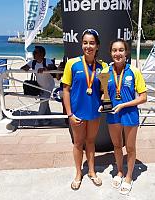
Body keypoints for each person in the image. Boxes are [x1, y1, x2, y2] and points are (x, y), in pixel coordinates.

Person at [62, 29, 107, 190]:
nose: (88, 46)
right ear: (82, 44)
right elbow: (65, 90)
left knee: (90, 142)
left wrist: (104, 100)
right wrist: (69, 114)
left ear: (97, 46)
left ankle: (92, 171)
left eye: (92, 43)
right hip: (77, 113)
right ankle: (78, 173)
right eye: (85, 42)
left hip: (94, 113)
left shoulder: (103, 66)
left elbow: (104, 91)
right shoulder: (72, 63)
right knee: (78, 143)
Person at [101, 39, 147, 195]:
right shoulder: (106, 71)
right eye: (114, 50)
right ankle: (120, 171)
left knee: (131, 148)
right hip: (113, 114)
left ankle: (128, 177)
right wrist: (103, 103)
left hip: (129, 114)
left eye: (121, 50)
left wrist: (123, 105)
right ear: (110, 53)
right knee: (116, 146)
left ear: (126, 53)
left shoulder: (134, 71)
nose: (117, 53)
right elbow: (104, 94)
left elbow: (143, 97)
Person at [21, 45, 56, 126]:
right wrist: (25, 68)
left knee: (43, 102)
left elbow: (51, 67)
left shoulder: (47, 61)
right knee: (44, 102)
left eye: (35, 52)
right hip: (39, 86)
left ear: (42, 54)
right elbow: (24, 67)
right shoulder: (32, 62)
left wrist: (44, 69)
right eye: (34, 52)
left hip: (49, 86)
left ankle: (38, 120)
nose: (33, 53)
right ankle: (48, 119)